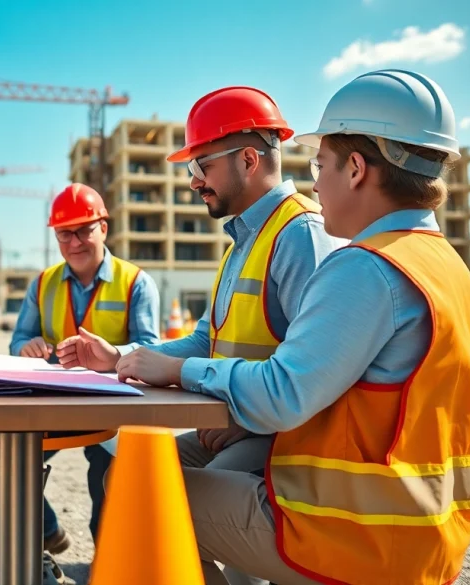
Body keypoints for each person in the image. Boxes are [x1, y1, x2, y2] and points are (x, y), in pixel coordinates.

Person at [115, 69, 470, 585]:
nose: (313, 182)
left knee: (141, 490)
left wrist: (181, 370)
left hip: (354, 529)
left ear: (356, 168)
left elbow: (283, 394)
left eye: (320, 164)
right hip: (417, 525)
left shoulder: (367, 267)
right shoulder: (443, 264)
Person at [57, 86, 342, 479]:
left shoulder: (300, 235)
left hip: (284, 437)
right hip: (241, 421)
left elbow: (318, 377)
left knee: (156, 491)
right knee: (126, 477)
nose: (194, 182)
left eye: (200, 167)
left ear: (248, 160)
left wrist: (250, 418)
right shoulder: (243, 242)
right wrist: (119, 358)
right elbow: (205, 341)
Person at [0, 183, 161, 553]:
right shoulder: (43, 284)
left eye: (83, 231)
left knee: (106, 480)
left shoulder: (137, 283)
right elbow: (18, 340)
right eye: (64, 233)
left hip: (112, 408)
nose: (74, 242)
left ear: (103, 227)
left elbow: (151, 350)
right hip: (54, 402)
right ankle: (46, 531)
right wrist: (26, 347)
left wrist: (114, 355)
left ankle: (107, 563)